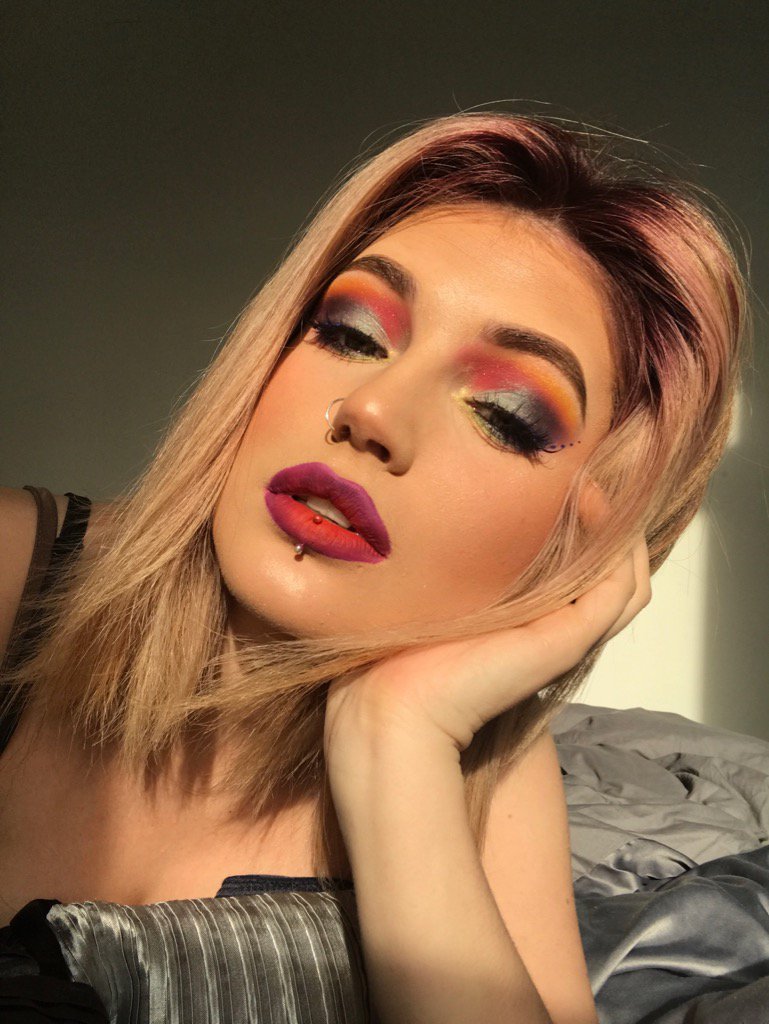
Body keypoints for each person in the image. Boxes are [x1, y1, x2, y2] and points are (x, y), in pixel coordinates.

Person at [0, 110, 747, 1024]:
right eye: (351, 333)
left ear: (579, 538)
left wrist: (398, 740)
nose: (373, 410)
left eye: (504, 414)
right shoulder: (15, 569)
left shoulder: (490, 773)